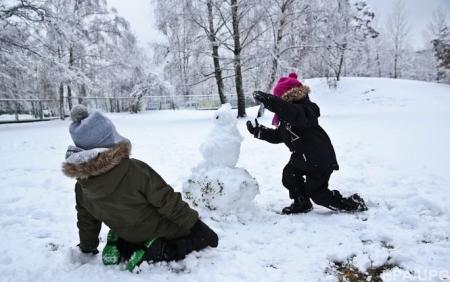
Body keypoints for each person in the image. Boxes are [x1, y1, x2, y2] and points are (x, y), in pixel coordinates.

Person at [62, 105, 218, 271]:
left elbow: (87, 220)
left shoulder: (82, 185)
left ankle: (122, 246)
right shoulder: (134, 170)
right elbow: (167, 200)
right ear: (108, 140)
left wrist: (88, 247)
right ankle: (158, 251)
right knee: (195, 240)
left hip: (128, 233)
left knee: (131, 237)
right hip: (158, 229)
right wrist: (196, 225)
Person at [247, 73, 368, 214]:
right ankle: (302, 202)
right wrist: (259, 132)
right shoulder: (286, 119)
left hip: (319, 159)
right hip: (302, 158)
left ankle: (351, 204)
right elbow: (279, 135)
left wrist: (271, 101)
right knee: (289, 175)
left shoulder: (306, 110)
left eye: (280, 99)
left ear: (287, 98)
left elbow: (293, 113)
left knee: (318, 194)